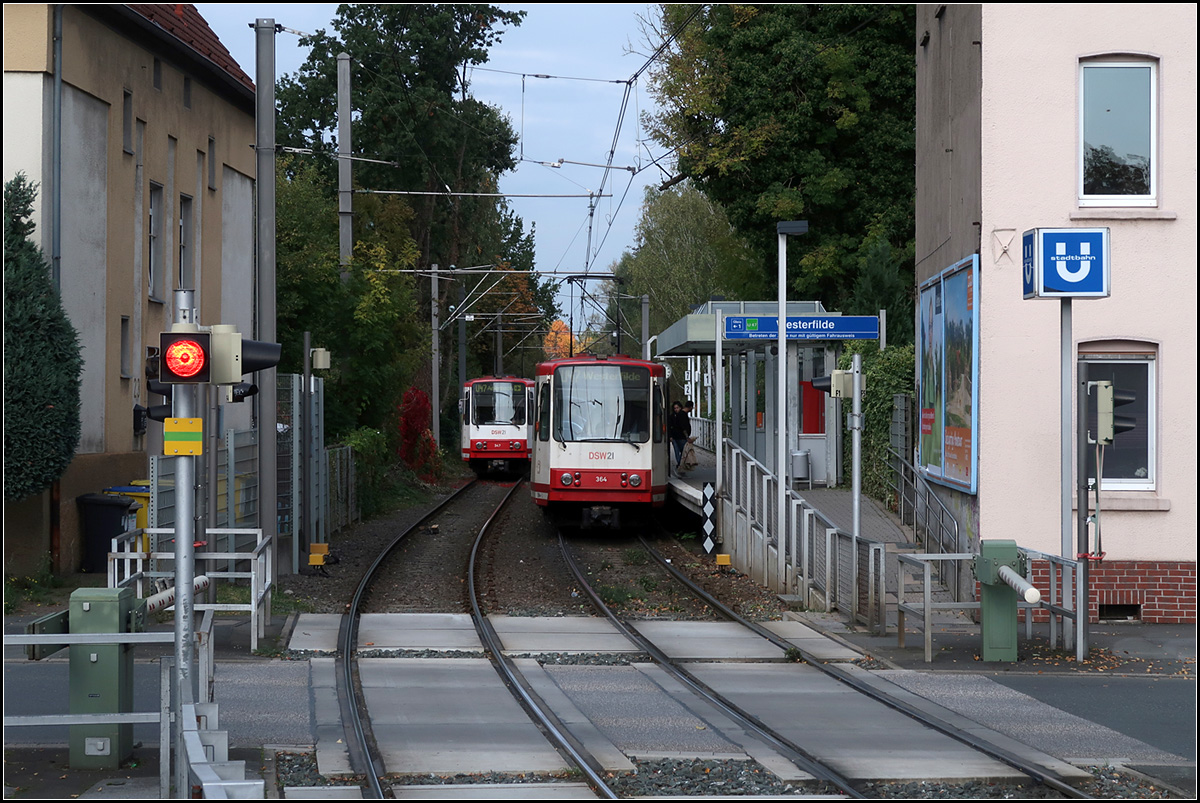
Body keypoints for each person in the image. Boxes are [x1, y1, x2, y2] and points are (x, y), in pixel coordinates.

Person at [668, 400, 690, 474]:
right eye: (675, 408)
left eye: (677, 408)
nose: (676, 409)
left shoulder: (677, 415)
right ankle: (680, 465)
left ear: (680, 407)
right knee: (679, 452)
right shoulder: (675, 416)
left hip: (679, 436)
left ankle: (680, 465)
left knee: (681, 451)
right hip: (677, 436)